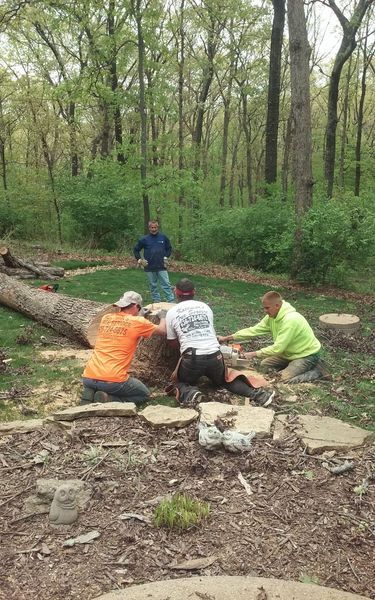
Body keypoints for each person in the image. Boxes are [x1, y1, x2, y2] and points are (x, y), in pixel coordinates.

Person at [165, 278, 275, 406]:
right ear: (194, 292)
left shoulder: (171, 312)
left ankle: (190, 393)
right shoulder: (205, 307)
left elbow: (171, 342)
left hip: (192, 358)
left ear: (175, 292)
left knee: (179, 382)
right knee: (225, 381)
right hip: (215, 356)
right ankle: (258, 396)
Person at [218, 290, 325, 383]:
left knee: (281, 379)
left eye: (267, 308)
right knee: (264, 365)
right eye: (264, 308)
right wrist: (228, 338)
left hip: (306, 355)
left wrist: (253, 354)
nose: (265, 311)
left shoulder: (290, 320)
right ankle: (292, 367)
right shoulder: (272, 316)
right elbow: (253, 330)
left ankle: (316, 372)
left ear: (277, 306)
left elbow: (278, 348)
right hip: (287, 354)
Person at [81, 291, 166, 405]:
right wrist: (163, 317)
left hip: (88, 377)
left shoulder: (106, 318)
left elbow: (124, 326)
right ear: (136, 306)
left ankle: (90, 392)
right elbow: (163, 330)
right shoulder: (138, 322)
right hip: (113, 380)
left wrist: (139, 316)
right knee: (144, 394)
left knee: (98, 382)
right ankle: (109, 399)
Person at [133, 220, 175, 303]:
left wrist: (166, 257)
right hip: (149, 267)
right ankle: (156, 301)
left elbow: (169, 248)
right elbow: (136, 250)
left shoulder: (163, 237)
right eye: (152, 227)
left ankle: (171, 301)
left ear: (157, 227)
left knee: (166, 284)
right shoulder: (144, 239)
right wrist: (140, 260)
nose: (154, 229)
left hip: (161, 266)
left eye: (155, 227)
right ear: (149, 228)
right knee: (153, 285)